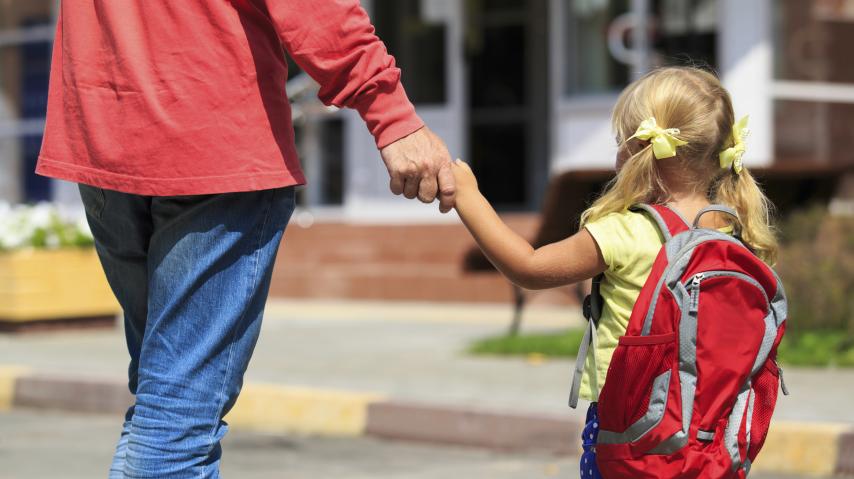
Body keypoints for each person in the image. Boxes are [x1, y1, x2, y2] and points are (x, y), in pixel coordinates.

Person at [36, 2, 455, 478]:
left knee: (163, 402)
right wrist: (390, 113)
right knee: (176, 416)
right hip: (211, 142)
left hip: (106, 138)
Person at [450, 66, 778, 479]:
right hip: (709, 436)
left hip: (630, 433)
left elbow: (528, 268)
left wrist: (467, 196)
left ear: (639, 148)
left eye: (620, 140)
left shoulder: (628, 230)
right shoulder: (731, 233)